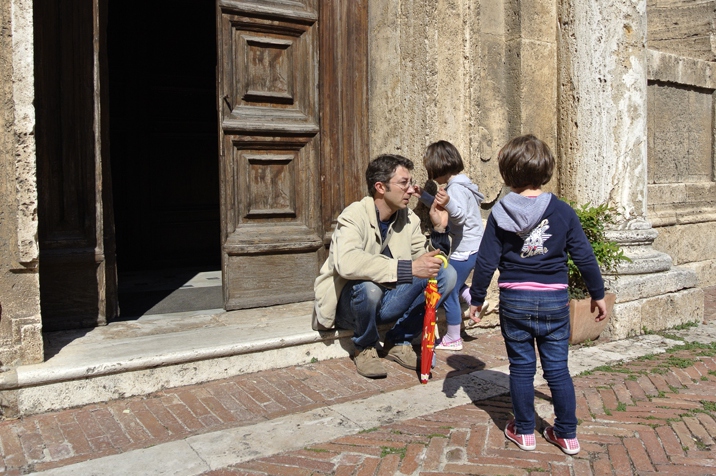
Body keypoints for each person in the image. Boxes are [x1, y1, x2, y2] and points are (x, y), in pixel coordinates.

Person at [468, 134, 607, 455]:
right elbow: (584, 256)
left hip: (515, 300)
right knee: (557, 369)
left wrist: (476, 299)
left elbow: (486, 260)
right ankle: (567, 434)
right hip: (555, 300)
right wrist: (597, 293)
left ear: (506, 172)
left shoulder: (500, 214)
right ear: (546, 170)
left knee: (521, 368)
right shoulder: (562, 212)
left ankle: (525, 431)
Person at [313, 154, 457, 379]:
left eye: (410, 183)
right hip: (352, 306)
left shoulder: (408, 218)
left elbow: (426, 262)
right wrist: (407, 269)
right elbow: (347, 263)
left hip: (389, 301)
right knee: (369, 287)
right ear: (380, 187)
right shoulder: (354, 215)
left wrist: (439, 231)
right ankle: (365, 347)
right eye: (403, 183)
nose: (411, 190)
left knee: (446, 274)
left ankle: (400, 339)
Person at [416, 140, 485, 351]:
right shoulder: (463, 184)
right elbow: (445, 204)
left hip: (465, 249)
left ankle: (454, 337)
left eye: (431, 169)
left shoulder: (455, 188)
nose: (430, 175)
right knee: (454, 281)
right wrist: (424, 196)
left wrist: (447, 203)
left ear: (439, 166)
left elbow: (459, 215)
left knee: (448, 288)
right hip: (474, 247)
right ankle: (474, 298)